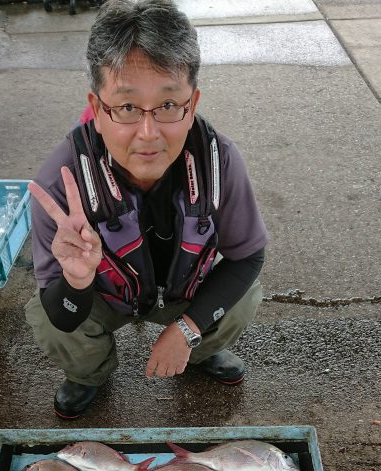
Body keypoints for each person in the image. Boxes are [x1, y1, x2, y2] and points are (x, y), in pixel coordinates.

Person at [26, 0, 268, 420]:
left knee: (242, 296)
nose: (149, 133)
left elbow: (248, 256)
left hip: (183, 292)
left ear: (192, 104)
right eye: (126, 107)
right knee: (49, 318)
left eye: (169, 105)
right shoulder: (59, 182)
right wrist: (77, 281)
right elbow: (60, 316)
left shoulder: (220, 160)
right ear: (97, 109)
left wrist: (187, 329)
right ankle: (90, 373)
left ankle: (198, 349)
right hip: (106, 295)